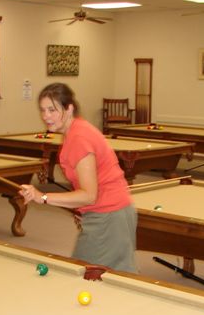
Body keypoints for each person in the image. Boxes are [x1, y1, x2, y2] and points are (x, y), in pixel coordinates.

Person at [19, 83, 137, 273]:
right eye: (43, 110)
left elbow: (89, 195)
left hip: (109, 216)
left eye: (52, 110)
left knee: (88, 275)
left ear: (69, 108)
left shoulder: (78, 138)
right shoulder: (76, 130)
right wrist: (80, 209)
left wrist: (43, 197)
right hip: (111, 212)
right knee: (104, 276)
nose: (46, 116)